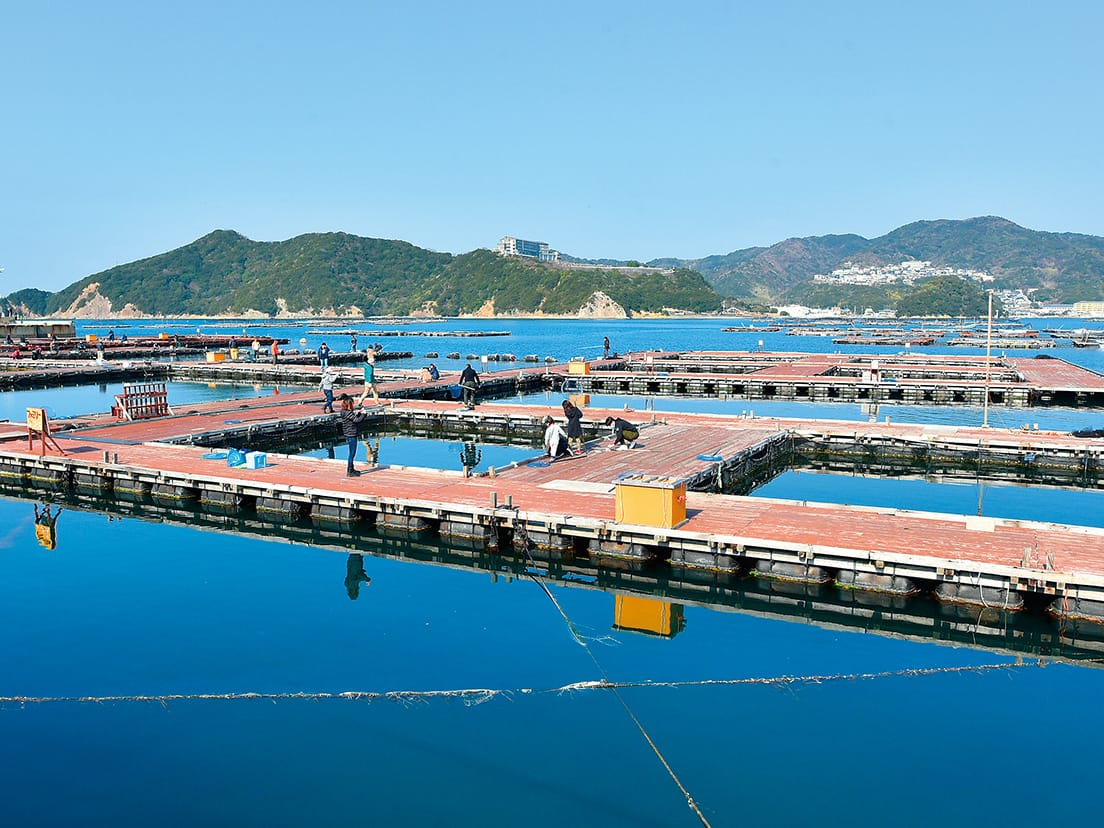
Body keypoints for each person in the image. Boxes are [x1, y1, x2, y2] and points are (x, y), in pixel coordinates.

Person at [339, 394, 369, 476]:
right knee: (352, 454)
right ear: (349, 405)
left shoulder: (343, 412)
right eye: (352, 404)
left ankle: (351, 469)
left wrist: (359, 413)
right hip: (351, 435)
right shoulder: (348, 413)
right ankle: (350, 471)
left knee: (351, 453)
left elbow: (353, 419)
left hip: (347, 434)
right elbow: (357, 420)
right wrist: (364, 414)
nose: (353, 405)